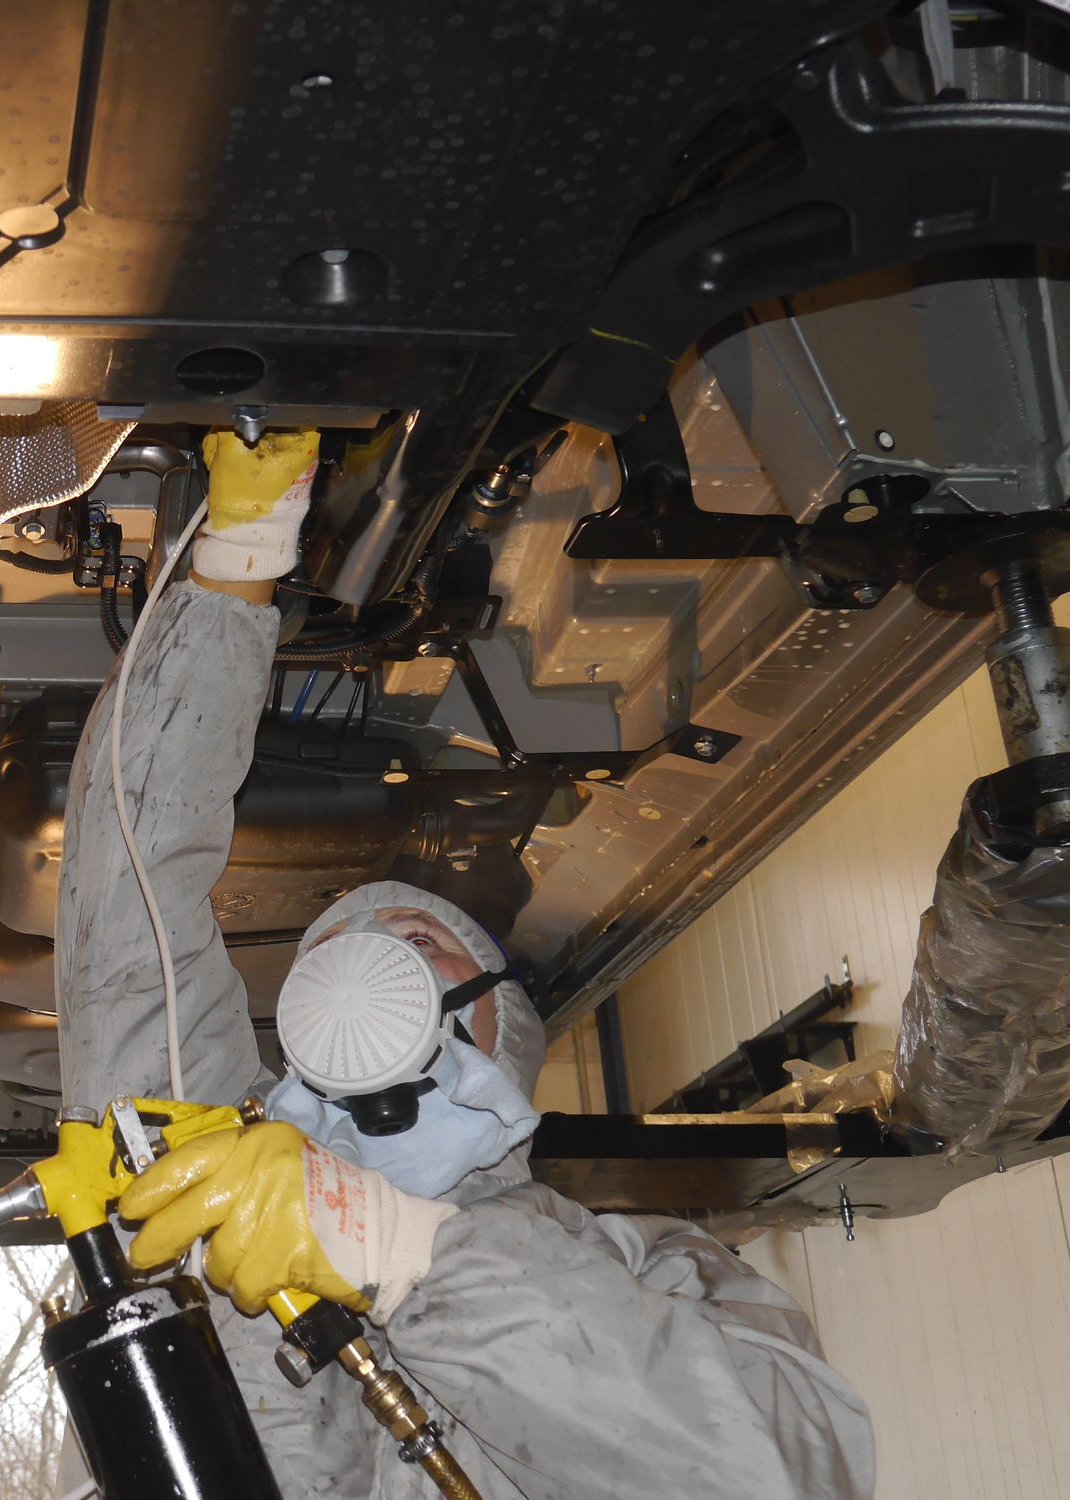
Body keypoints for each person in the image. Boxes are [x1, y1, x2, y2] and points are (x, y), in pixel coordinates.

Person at [51, 431, 876, 1499]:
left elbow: (779, 1475)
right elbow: (129, 901)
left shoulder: (648, 1270)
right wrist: (233, 573)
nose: (376, 968)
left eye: (421, 946)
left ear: (502, 1024)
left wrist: (410, 1258)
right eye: (342, 951)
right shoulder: (208, 1201)